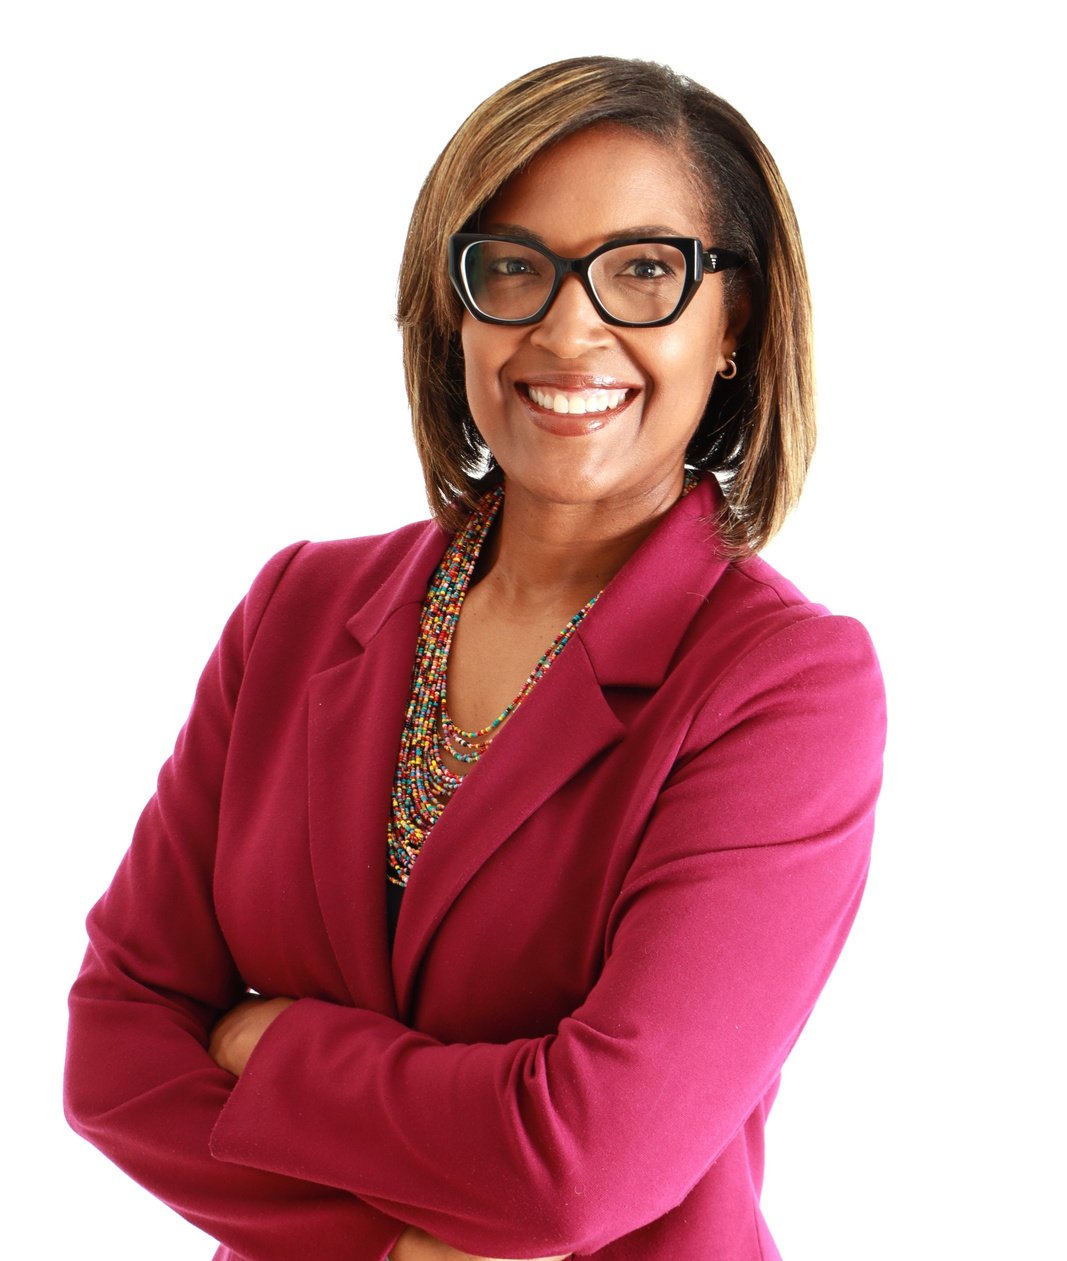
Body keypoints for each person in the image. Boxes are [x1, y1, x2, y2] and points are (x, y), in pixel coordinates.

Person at [65, 56, 886, 1261]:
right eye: (511, 267)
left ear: (735, 323)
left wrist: (270, 1041)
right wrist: (395, 1249)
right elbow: (111, 1049)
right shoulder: (297, 609)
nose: (568, 328)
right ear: (451, 305)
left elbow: (584, 1163)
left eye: (642, 271)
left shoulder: (785, 684)